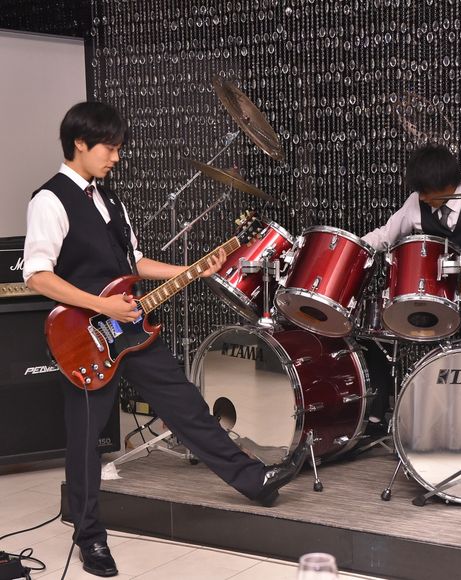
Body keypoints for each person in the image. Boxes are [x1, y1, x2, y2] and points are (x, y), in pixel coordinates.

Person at [23, 101, 307, 578]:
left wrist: (194, 270)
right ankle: (90, 539)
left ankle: (255, 481)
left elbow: (133, 264)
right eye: (110, 148)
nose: (116, 157)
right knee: (85, 440)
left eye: (119, 148)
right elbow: (37, 275)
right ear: (80, 143)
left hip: (132, 327)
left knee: (186, 405)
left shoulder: (110, 199)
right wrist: (102, 307)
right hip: (85, 339)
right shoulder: (49, 200)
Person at [363, 144, 461, 340]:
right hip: (436, 294)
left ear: (447, 184)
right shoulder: (416, 201)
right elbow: (385, 235)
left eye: (426, 191)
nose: (422, 197)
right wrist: (351, 246)